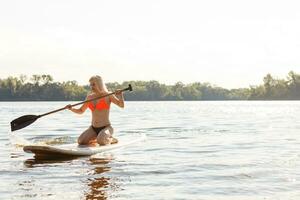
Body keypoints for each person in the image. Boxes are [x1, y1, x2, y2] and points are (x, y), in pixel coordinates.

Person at [65, 75, 124, 146]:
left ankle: (111, 139)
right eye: (90, 85)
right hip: (93, 128)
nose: (91, 87)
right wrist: (71, 108)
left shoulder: (108, 95)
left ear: (99, 84)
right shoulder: (90, 97)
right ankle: (98, 138)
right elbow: (81, 111)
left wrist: (120, 95)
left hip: (106, 127)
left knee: (101, 141)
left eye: (93, 84)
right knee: (81, 141)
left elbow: (121, 105)